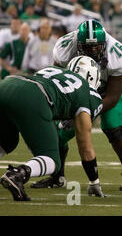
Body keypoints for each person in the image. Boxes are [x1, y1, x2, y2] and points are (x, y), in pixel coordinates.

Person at [31, 19, 122, 192]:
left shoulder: (118, 54)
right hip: (81, 89)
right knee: (58, 131)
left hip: (114, 88)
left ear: (105, 43)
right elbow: (58, 82)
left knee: (111, 124)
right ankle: (57, 177)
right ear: (78, 44)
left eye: (97, 46)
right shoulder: (64, 48)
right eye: (88, 47)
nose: (93, 50)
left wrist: (81, 114)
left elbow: (111, 98)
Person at [0, 56, 105, 201]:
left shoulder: (54, 70)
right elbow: (84, 143)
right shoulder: (88, 93)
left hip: (8, 84)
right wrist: (94, 181)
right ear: (93, 77)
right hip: (33, 96)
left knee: (7, 140)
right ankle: (18, 174)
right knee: (53, 161)